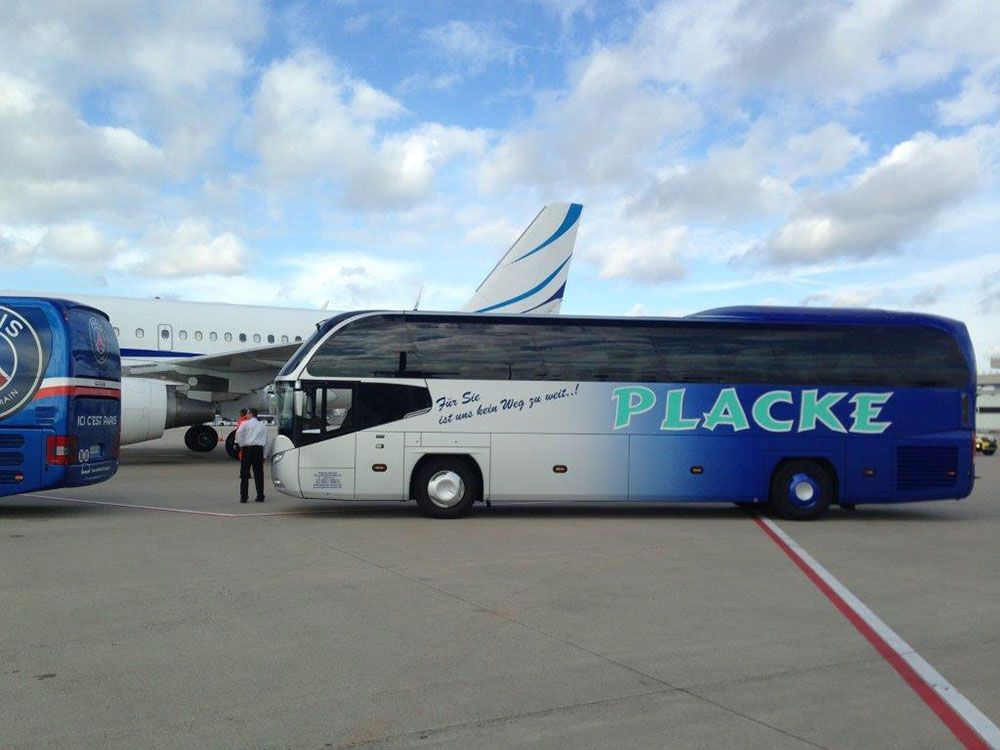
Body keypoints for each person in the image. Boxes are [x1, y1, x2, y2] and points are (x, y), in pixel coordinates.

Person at [235, 408, 267, 503]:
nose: (246, 415)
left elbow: (238, 434)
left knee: (244, 474)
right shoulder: (262, 425)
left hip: (247, 449)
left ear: (251, 414)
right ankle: (260, 496)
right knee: (258, 474)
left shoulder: (245, 424)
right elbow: (266, 441)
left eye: (247, 414)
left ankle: (244, 497)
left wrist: (241, 445)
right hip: (258, 450)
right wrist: (264, 455)